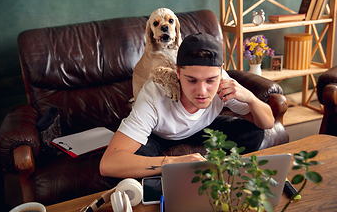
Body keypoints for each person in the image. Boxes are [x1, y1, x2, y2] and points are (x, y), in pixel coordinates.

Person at [100, 32, 274, 178]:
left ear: (220, 71)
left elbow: (267, 123)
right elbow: (109, 163)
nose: (202, 91)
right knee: (134, 165)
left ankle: (220, 176)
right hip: (159, 135)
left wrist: (250, 98)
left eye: (210, 80)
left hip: (202, 129)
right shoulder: (154, 94)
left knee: (253, 133)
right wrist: (174, 162)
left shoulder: (224, 85)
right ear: (177, 72)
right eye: (191, 80)